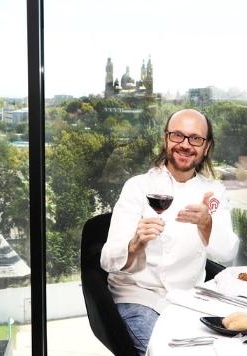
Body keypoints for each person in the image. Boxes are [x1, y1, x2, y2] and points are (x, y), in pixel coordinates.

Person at [100, 108, 239, 355]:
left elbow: (227, 252)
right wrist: (134, 244)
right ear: (166, 139)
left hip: (189, 300)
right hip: (141, 297)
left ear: (206, 147)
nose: (185, 145)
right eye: (177, 136)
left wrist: (207, 224)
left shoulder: (213, 193)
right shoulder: (138, 187)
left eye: (195, 138)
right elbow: (107, 259)